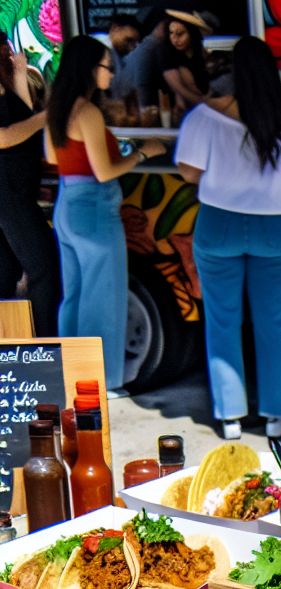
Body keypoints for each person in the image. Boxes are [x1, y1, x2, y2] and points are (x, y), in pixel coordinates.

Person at [175, 36, 281, 440]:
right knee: (273, 321)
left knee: (222, 320)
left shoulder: (204, 116)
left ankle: (231, 417)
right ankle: (277, 415)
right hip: (273, 227)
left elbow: (188, 172)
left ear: (232, 71)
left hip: (217, 224)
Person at [45, 36, 166, 394]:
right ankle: (101, 384)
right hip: (95, 209)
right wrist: (143, 153)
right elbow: (105, 171)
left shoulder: (58, 107)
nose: (112, 74)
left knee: (76, 297)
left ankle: (73, 379)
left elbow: (54, 159)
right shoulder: (88, 111)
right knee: (105, 298)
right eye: (106, 66)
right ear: (87, 68)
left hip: (67, 205)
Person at [0, 36, 60, 336]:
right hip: (7, 192)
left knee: (6, 270)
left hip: (19, 190)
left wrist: (21, 74)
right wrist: (45, 117)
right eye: (6, 50)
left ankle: (12, 342)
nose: (11, 54)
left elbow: (23, 114)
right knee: (43, 266)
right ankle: (44, 342)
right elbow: (4, 136)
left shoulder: (7, 83)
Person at [161, 10, 210, 113]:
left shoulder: (202, 54)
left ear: (192, 34)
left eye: (180, 34)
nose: (174, 39)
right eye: (171, 33)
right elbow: (180, 88)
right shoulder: (167, 55)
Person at [102, 14, 142, 99]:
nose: (131, 47)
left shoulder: (127, 58)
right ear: (115, 27)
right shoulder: (99, 49)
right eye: (128, 40)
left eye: (135, 43)